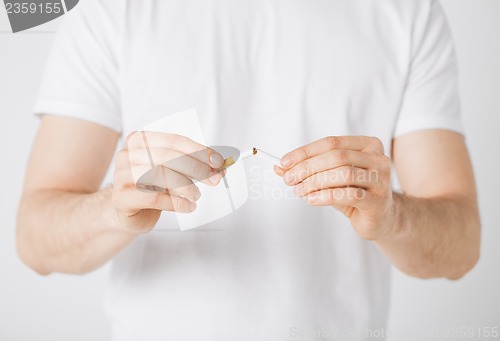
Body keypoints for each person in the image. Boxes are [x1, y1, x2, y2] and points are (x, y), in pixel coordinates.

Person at [16, 0, 480, 340]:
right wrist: (113, 211)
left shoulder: (408, 13)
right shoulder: (109, 10)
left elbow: (461, 248)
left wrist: (393, 215)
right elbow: (35, 240)